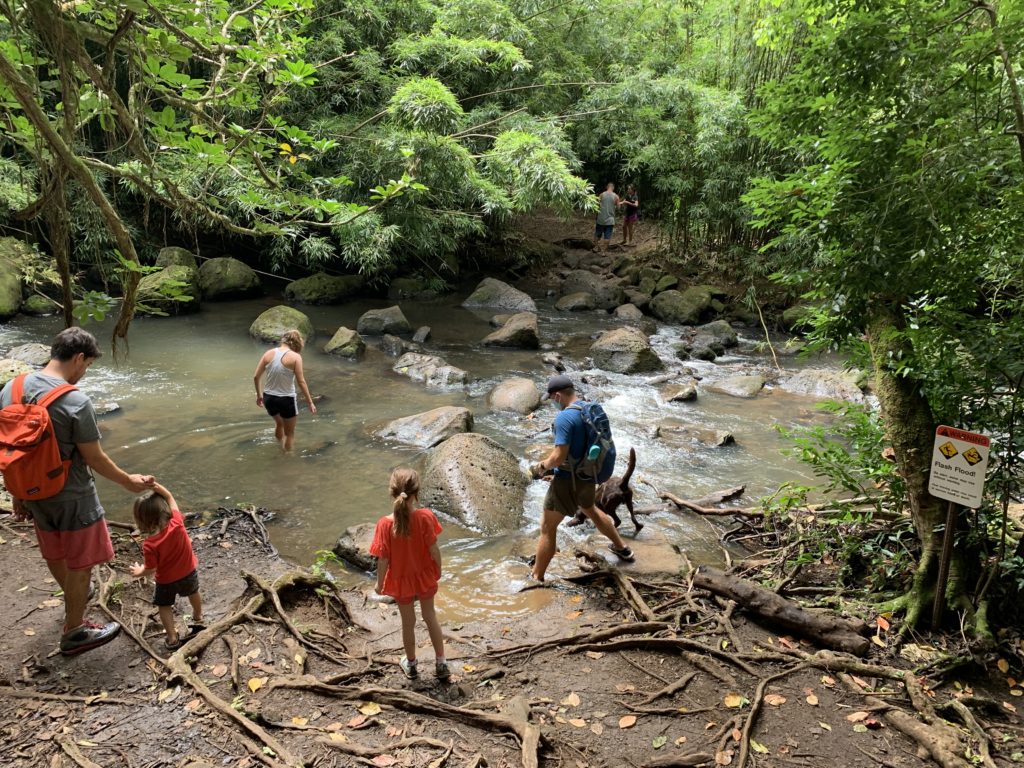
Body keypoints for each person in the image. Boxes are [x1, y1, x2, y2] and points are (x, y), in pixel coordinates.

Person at [0, 327, 155, 656]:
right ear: (79, 358)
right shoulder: (74, 400)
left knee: (55, 552)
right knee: (80, 563)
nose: (84, 374)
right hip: (72, 494)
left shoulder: (10, 389)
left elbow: (11, 448)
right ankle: (75, 631)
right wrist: (129, 481)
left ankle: (74, 602)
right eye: (87, 366)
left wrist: (17, 492)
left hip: (31, 491)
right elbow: (94, 457)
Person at [528, 374, 635, 582]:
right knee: (590, 509)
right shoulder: (590, 408)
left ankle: (536, 576)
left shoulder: (564, 418)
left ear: (558, 395)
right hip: (589, 474)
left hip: (568, 480)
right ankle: (623, 549)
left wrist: (541, 466)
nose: (552, 403)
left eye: (551, 399)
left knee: (547, 527)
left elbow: (558, 458)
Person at [369, 467, 450, 681]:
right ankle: (441, 663)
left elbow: (383, 559)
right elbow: (434, 549)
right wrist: (438, 569)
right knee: (430, 616)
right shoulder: (426, 517)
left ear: (392, 492)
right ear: (417, 493)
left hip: (401, 580)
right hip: (424, 576)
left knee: (408, 622)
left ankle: (412, 665)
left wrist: (379, 584)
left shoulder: (384, 524)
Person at [128, 483, 204, 651]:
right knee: (193, 592)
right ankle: (198, 616)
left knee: (164, 606)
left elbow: (150, 569)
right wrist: (154, 485)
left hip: (165, 581)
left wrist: (139, 571)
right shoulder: (177, 523)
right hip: (188, 572)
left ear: (141, 520)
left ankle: (172, 637)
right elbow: (169, 496)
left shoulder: (149, 544)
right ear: (165, 510)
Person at [253, 329, 316, 452]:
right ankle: (287, 458)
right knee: (290, 433)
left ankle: (279, 446)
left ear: (283, 340)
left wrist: (259, 396)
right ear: (296, 343)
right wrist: (310, 402)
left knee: (279, 424)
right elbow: (301, 381)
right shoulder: (296, 357)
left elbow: (256, 377)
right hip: (286, 399)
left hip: (269, 398)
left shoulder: (268, 354)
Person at [593, 182, 621, 253]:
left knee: (597, 233)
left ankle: (596, 247)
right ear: (613, 188)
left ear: (607, 187)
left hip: (600, 218)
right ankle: (603, 252)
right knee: (607, 236)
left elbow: (597, 206)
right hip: (610, 220)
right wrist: (616, 204)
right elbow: (618, 208)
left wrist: (596, 216)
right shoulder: (616, 196)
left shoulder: (601, 195)